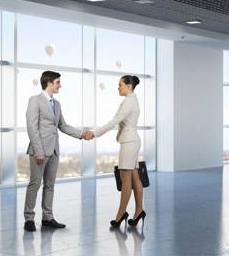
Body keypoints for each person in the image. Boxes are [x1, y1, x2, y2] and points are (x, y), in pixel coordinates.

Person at [24, 70, 92, 232]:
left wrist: (81, 134)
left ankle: (47, 217)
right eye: (58, 82)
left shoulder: (57, 104)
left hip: (54, 149)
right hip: (39, 150)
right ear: (48, 83)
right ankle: (29, 219)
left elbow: (62, 125)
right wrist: (39, 150)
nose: (60, 85)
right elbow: (31, 127)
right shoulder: (35, 100)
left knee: (50, 185)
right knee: (35, 184)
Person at [86, 75, 146, 228]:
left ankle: (121, 214)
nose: (118, 88)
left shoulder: (128, 101)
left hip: (129, 142)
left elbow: (114, 121)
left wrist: (94, 133)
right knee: (134, 177)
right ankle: (139, 211)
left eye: (120, 85)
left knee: (126, 180)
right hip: (132, 141)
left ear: (128, 86)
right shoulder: (133, 100)